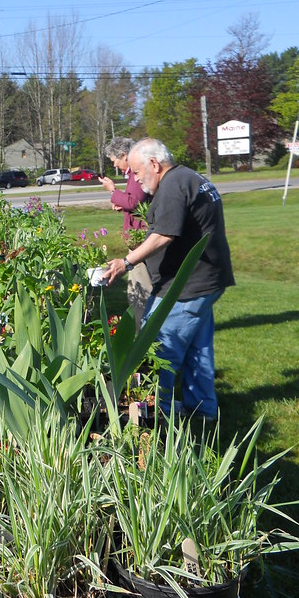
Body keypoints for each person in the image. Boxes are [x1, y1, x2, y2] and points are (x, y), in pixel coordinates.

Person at [105, 138, 234, 421]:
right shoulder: (191, 177)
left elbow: (164, 234)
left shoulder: (173, 186)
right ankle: (202, 410)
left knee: (158, 349)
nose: (136, 180)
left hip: (186, 287)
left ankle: (154, 412)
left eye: (137, 172)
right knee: (197, 350)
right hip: (206, 281)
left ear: (154, 164)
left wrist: (126, 262)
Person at [98, 135, 152, 329]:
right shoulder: (133, 174)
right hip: (139, 240)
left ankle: (143, 336)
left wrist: (112, 192)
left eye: (114, 161)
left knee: (139, 291)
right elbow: (133, 201)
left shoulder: (136, 173)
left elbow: (133, 201)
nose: (115, 166)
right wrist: (122, 205)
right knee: (136, 289)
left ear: (123, 154)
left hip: (140, 242)